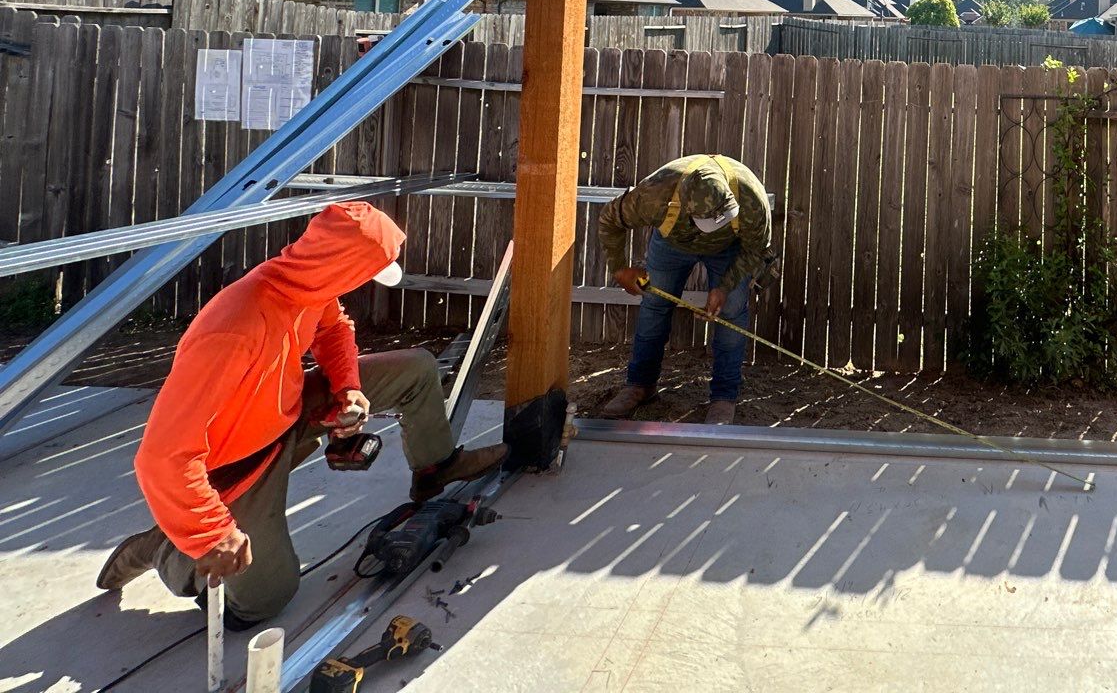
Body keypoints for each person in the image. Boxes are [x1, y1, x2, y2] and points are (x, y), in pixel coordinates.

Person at [96, 201, 507, 628]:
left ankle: (435, 469)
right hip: (239, 465)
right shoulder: (233, 329)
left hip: (283, 416)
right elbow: (161, 457)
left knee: (417, 369)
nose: (364, 285)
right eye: (362, 275)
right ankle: (165, 548)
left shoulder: (310, 285)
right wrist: (212, 534)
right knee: (263, 602)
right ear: (342, 267)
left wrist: (348, 389)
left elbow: (333, 328)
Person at [598, 153, 773, 425]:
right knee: (655, 306)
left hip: (729, 251)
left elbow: (755, 249)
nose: (712, 229)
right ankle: (639, 385)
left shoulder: (751, 199)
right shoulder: (655, 194)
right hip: (671, 246)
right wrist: (620, 269)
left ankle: (724, 397)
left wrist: (725, 287)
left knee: (731, 312)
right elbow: (610, 219)